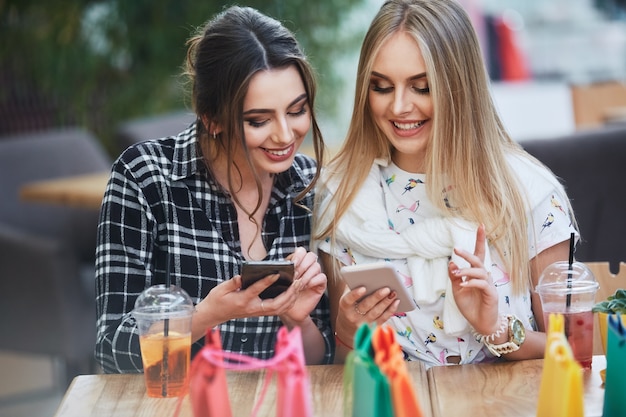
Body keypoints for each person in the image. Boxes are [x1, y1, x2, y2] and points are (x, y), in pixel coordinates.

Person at [313, 0, 578, 367]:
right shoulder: (342, 196)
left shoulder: (530, 195)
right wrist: (348, 329)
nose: (399, 107)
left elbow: (572, 350)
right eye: (382, 87)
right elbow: (347, 367)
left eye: (421, 87)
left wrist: (495, 327)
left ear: (460, 89)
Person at [95, 5, 332, 373]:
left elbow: (321, 360)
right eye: (258, 120)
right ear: (212, 118)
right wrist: (204, 316)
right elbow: (111, 348)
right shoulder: (145, 178)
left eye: (297, 111)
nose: (286, 135)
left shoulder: (309, 186)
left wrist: (296, 319)